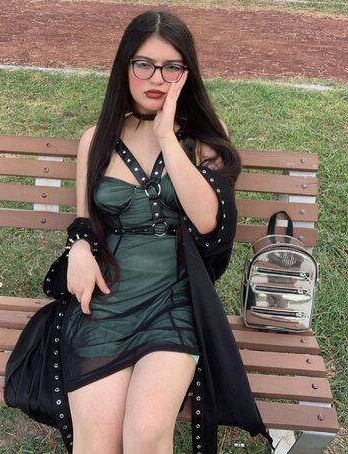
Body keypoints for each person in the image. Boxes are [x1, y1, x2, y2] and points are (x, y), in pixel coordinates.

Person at [46, 9, 272, 454]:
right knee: (97, 443)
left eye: (172, 67)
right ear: (125, 66)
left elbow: (207, 221)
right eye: (144, 64)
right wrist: (79, 251)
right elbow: (84, 224)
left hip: (175, 298)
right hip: (109, 298)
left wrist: (168, 137)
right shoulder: (96, 140)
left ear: (187, 73)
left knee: (145, 434)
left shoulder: (203, 140)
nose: (157, 78)